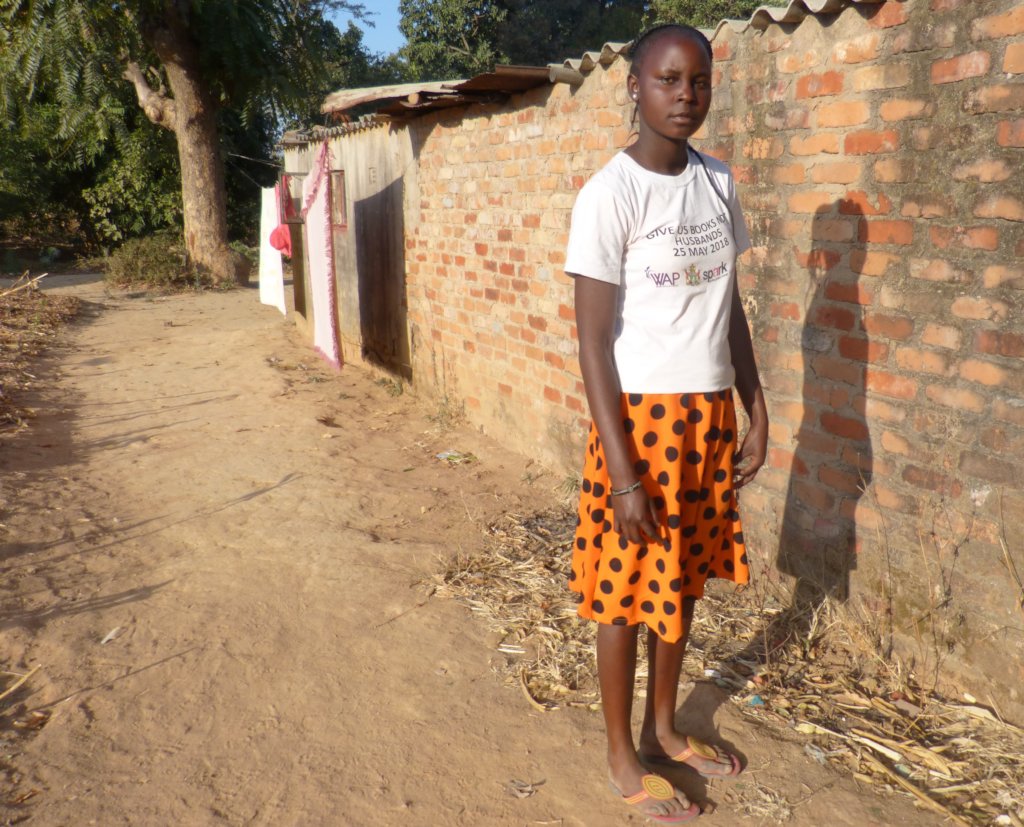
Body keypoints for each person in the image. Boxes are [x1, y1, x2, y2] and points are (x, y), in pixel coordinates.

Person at [565, 23, 768, 824]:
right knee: (623, 592)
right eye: (669, 80)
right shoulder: (609, 195)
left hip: (708, 417)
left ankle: (663, 726)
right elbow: (590, 343)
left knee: (681, 580)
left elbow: (731, 308)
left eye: (700, 81)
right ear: (635, 87)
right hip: (639, 424)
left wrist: (756, 407)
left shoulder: (717, 183)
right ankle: (620, 749)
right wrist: (622, 473)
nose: (686, 96)